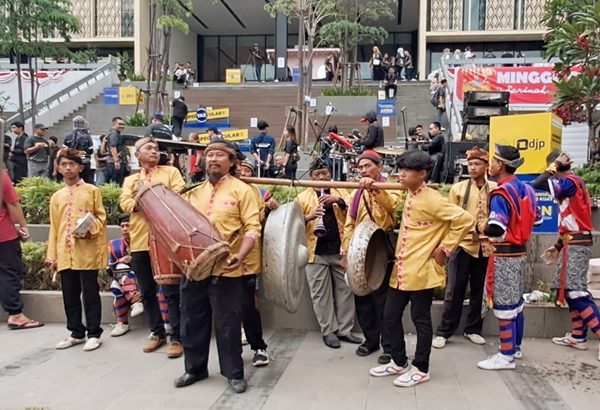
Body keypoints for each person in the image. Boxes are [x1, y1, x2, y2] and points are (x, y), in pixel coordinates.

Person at [369, 150, 472, 387]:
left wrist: (445, 248)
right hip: (403, 269)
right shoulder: (411, 194)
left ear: (422, 174)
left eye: (407, 170)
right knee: (390, 316)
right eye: (401, 169)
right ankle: (398, 361)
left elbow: (465, 220)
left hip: (422, 270)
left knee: (420, 319)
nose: (401, 174)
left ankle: (421, 368)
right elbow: (393, 212)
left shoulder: (433, 199)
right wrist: (376, 192)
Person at [177, 141, 262, 393]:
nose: (213, 158)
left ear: (232, 162)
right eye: (209, 154)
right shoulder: (192, 192)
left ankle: (234, 373)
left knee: (228, 324)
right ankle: (194, 368)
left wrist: (241, 254)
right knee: (192, 320)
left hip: (228, 269)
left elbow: (252, 228)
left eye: (220, 155)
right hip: (194, 267)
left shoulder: (243, 191)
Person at [474, 144, 541, 370]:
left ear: (500, 165)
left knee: (504, 305)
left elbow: (497, 229)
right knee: (517, 303)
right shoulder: (528, 189)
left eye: (492, 160)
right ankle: (516, 347)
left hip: (504, 255)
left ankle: (506, 356)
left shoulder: (501, 192)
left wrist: (479, 226)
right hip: (521, 252)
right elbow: (537, 219)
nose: (490, 164)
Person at [120, 137, 186, 358]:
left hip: (167, 239)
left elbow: (178, 195)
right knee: (147, 290)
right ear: (137, 154)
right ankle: (157, 332)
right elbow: (125, 203)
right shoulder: (130, 179)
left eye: (156, 148)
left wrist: (145, 198)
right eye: (148, 148)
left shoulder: (170, 173)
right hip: (140, 241)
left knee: (171, 290)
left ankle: (177, 337)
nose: (154, 151)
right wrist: (151, 199)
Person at [532, 152, 600, 361]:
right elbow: (571, 221)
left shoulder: (569, 182)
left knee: (576, 292)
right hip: (573, 242)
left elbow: (538, 183)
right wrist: (558, 246)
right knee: (569, 290)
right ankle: (578, 336)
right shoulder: (571, 183)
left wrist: (553, 166)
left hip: (578, 244)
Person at [432, 147, 496, 349]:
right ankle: (444, 331)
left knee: (479, 290)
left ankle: (473, 329)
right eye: (470, 164)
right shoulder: (458, 188)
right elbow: (449, 217)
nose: (473, 167)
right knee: (454, 289)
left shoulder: (494, 188)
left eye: (477, 164)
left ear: (486, 166)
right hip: (461, 244)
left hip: (485, 246)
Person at [342, 150, 402, 363]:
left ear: (379, 166)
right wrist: (345, 250)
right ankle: (370, 340)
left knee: (383, 299)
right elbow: (350, 222)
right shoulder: (356, 193)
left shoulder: (391, 186)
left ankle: (388, 345)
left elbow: (393, 207)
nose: (364, 170)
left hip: (380, 248)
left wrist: (375, 190)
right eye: (361, 167)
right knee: (362, 297)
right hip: (359, 249)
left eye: (368, 166)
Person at [46, 149, 107, 351]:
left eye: (72, 164)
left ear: (80, 167)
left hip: (86, 250)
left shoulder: (92, 191)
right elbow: (54, 227)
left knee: (90, 292)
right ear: (58, 168)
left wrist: (91, 229)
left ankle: (94, 332)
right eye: (64, 164)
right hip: (65, 251)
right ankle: (76, 332)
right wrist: (52, 255)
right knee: (69, 294)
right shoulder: (56, 197)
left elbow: (101, 217)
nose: (68, 168)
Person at [298, 158, 361, 349]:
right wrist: (309, 217)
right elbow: (292, 223)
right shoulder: (302, 197)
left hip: (340, 250)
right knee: (320, 294)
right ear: (311, 177)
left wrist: (339, 201)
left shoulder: (341, 191)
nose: (321, 177)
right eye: (317, 175)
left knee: (345, 291)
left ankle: (345, 330)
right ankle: (328, 331)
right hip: (314, 253)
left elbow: (355, 211)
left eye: (324, 173)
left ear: (330, 174)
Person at [237, 160, 273, 366]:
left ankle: (258, 347)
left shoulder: (257, 191)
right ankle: (231, 352)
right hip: (220, 258)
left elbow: (257, 222)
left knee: (247, 305)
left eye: (247, 170)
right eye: (239, 168)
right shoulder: (220, 188)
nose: (242, 172)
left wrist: (268, 210)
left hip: (247, 257)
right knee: (225, 308)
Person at [0, 168, 43, 330]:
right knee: (8, 272)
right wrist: (23, 226)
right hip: (3, 234)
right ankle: (16, 315)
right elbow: (12, 202)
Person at [107, 213, 144, 337]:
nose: (124, 229)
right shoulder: (114, 245)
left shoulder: (144, 243)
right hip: (124, 280)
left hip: (145, 279)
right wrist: (120, 260)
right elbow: (109, 268)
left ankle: (135, 301)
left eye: (128, 225)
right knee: (116, 281)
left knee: (120, 279)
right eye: (122, 226)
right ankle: (123, 322)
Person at [105, 117, 129, 186]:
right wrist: (116, 161)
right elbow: (113, 146)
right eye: (120, 124)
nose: (122, 126)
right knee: (116, 185)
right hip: (115, 164)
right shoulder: (114, 133)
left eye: (123, 124)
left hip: (116, 163)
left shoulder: (116, 134)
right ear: (114, 124)